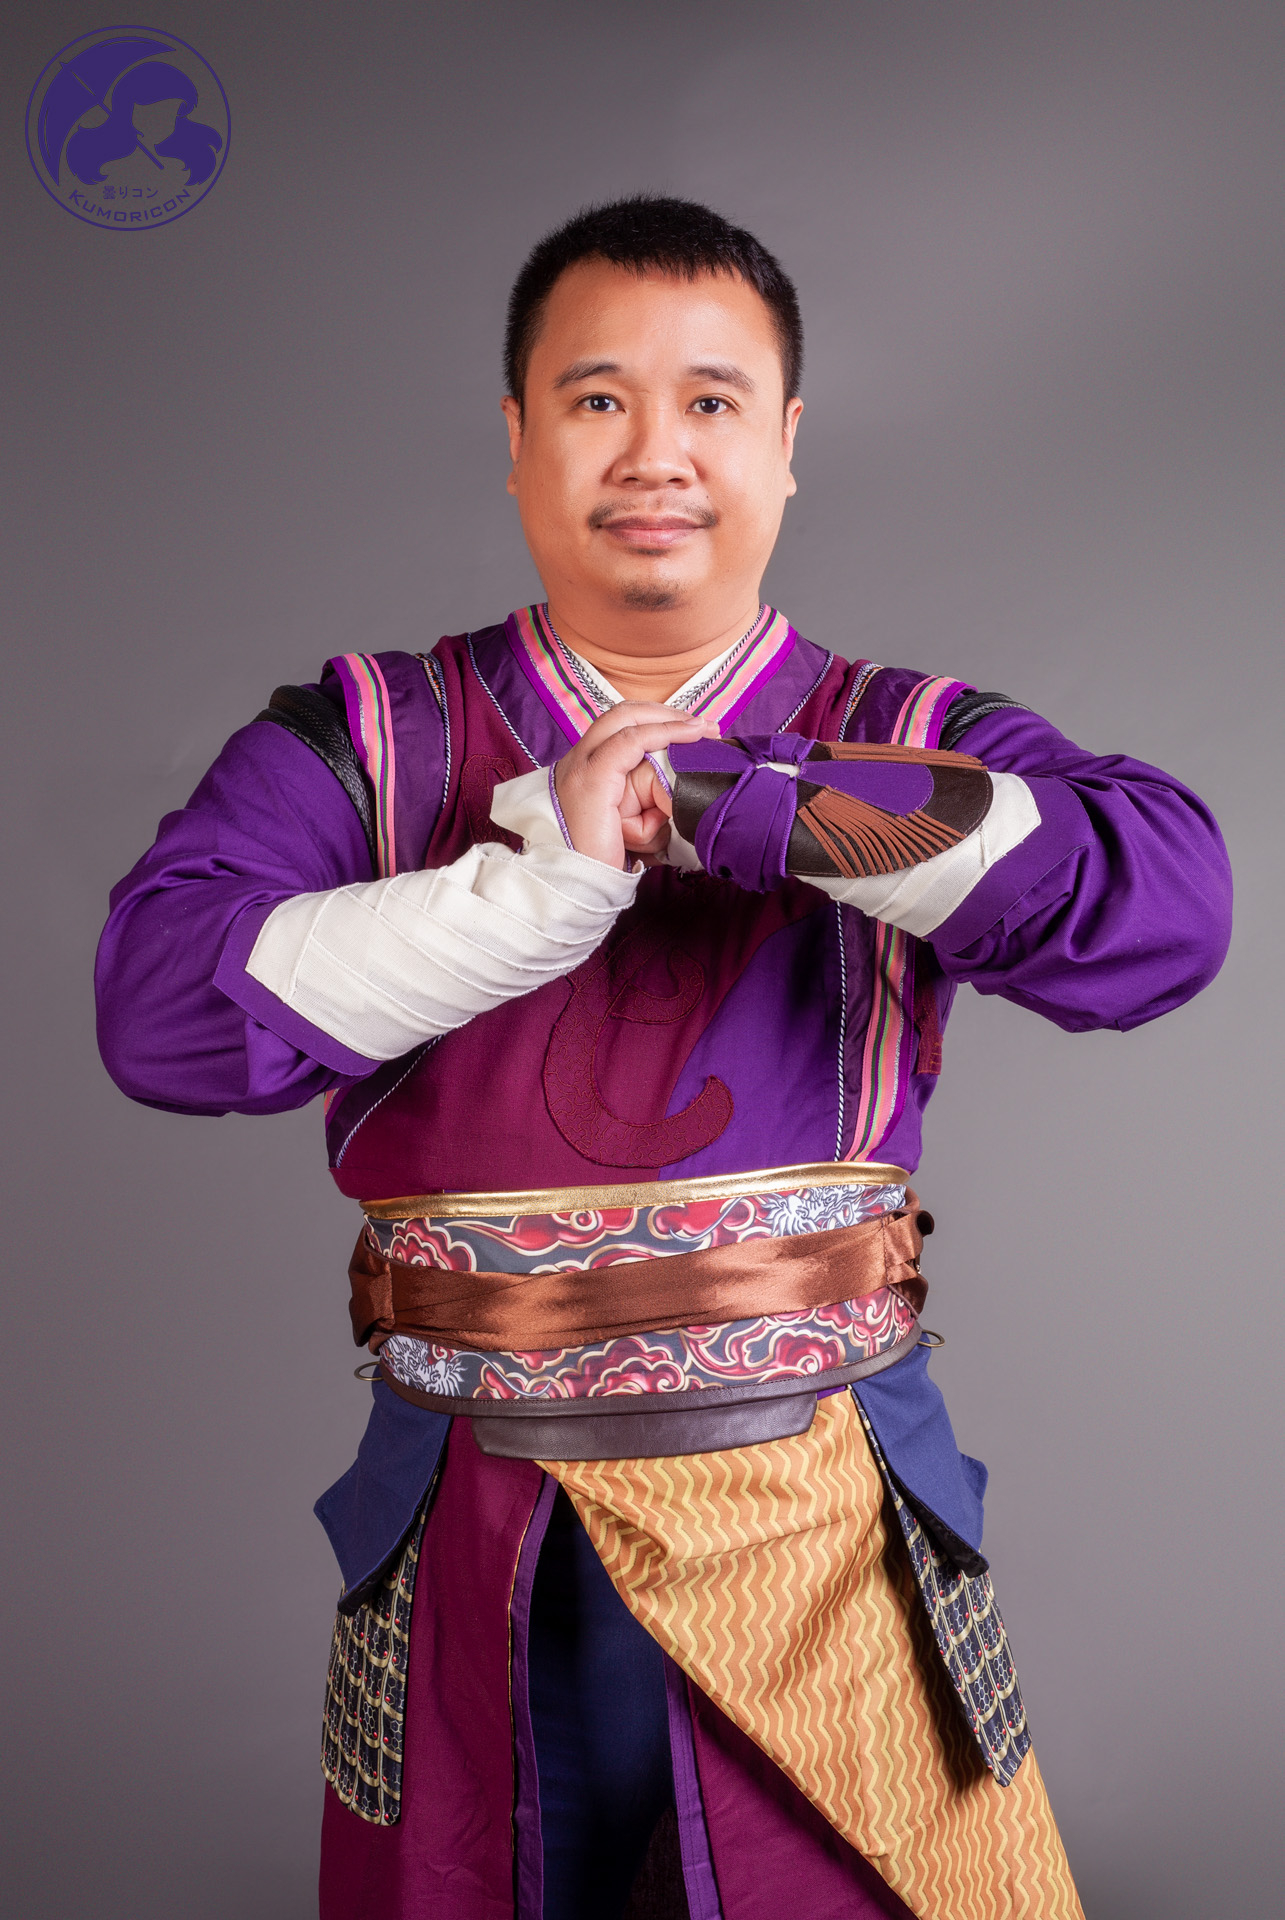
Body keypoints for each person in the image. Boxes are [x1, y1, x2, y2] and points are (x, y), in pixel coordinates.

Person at [96, 196, 1232, 1920]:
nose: (655, 453)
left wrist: (769, 802)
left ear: (785, 443)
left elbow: (1166, 906)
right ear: (517, 438)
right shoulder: (370, 736)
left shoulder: (900, 732)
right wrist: (530, 886)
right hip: (465, 1514)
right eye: (597, 398)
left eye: (710, 401)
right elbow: (160, 1010)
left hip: (825, 1511)